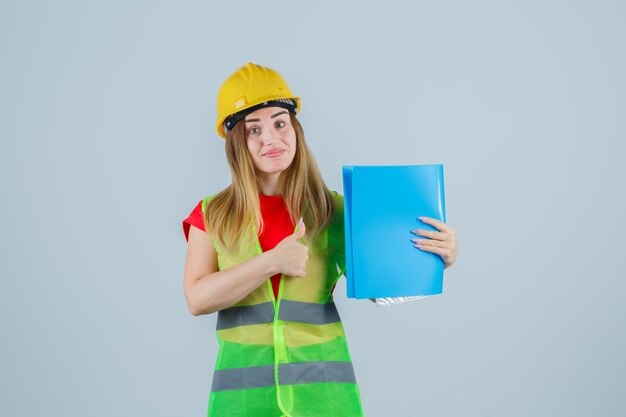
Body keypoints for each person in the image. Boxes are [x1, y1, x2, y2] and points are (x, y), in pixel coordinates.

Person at [182, 62, 458, 417]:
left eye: (280, 123)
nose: (271, 138)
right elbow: (197, 299)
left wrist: (436, 260)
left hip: (325, 397)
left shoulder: (333, 209)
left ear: (295, 129)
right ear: (237, 142)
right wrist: (272, 262)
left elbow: (381, 289)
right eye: (254, 130)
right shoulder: (213, 213)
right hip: (243, 402)